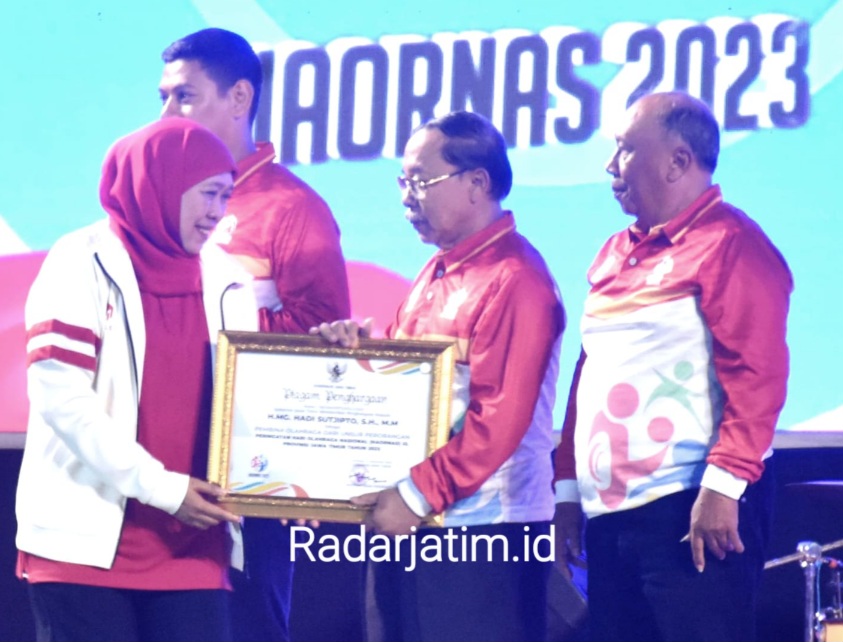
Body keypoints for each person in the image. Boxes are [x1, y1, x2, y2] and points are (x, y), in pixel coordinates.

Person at [315, 111, 565, 642]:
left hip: (484, 536)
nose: (406, 198)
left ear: (478, 183)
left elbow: (498, 421)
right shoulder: (438, 270)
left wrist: (415, 496)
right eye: (402, 182)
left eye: (420, 182)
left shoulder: (516, 279)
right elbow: (406, 386)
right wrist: (357, 353)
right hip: (419, 520)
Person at [552, 91, 792, 642]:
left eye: (624, 149)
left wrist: (723, 488)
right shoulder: (613, 251)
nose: (610, 166)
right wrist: (566, 491)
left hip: (692, 509)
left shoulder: (731, 244)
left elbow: (758, 377)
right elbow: (589, 377)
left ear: (678, 161)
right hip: (610, 516)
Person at [15, 118, 258, 642]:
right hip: (82, 550)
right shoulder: (79, 261)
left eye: (227, 196)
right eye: (208, 193)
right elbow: (64, 402)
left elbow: (256, 400)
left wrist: (293, 486)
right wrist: (163, 489)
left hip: (195, 549)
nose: (218, 211)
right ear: (162, 183)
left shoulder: (231, 280)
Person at [158, 28, 352, 642]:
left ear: (239, 97)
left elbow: (324, 342)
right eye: (163, 97)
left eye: (185, 96)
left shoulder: (292, 208)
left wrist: (214, 332)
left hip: (250, 469)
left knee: (243, 623)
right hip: (159, 462)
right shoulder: (159, 200)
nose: (166, 114)